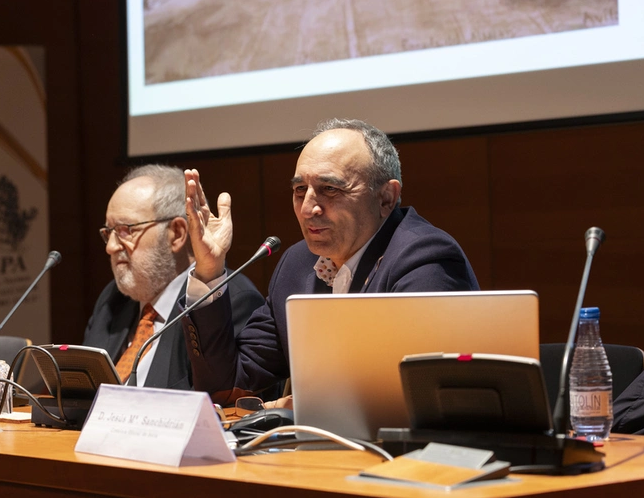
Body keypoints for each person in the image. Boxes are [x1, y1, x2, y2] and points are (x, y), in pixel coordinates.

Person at [181, 119, 479, 403]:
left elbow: (418, 392)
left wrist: (291, 408)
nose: (308, 207)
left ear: (386, 198)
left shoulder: (423, 258)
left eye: (330, 189)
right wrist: (210, 271)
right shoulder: (296, 265)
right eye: (300, 190)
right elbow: (227, 385)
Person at [85, 164, 263, 390]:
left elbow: (223, 401)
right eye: (108, 232)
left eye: (126, 230)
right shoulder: (113, 301)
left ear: (177, 234)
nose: (110, 247)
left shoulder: (228, 300)